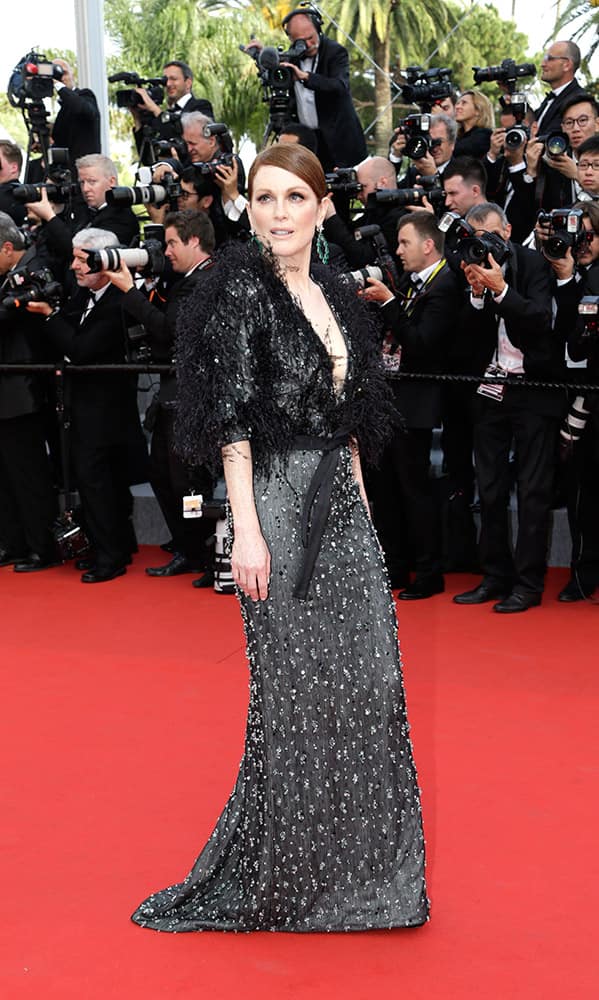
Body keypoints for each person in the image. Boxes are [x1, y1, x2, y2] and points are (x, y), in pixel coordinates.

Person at [131, 143, 428, 932]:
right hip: (276, 504)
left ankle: (371, 878)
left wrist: (366, 523)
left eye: (295, 197)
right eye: (264, 198)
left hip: (341, 508)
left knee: (369, 690)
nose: (279, 213)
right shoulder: (238, 295)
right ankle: (297, 886)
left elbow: (354, 426)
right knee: (296, 700)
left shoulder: (334, 293)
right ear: (251, 209)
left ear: (323, 207)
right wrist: (246, 535)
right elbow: (228, 422)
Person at [453, 203, 566, 612]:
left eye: (493, 236)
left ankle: (528, 584)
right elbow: (465, 337)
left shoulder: (537, 264)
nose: (486, 245)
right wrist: (478, 296)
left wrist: (501, 290)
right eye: (477, 238)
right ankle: (495, 576)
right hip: (490, 387)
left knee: (533, 490)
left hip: (533, 388)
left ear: (509, 230)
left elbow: (540, 320)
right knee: (491, 487)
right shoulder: (466, 265)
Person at [30, 229, 149, 583]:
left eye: (83, 259)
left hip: (107, 410)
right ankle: (110, 547)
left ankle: (110, 557)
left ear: (106, 260)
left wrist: (50, 316)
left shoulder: (118, 300)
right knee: (97, 482)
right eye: (75, 258)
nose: (74, 267)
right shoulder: (83, 297)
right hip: (86, 407)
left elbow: (80, 349)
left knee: (99, 482)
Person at [103, 209, 216, 582]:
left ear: (194, 241)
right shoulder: (188, 280)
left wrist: (129, 291)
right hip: (174, 394)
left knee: (188, 483)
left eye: (171, 243)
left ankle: (200, 548)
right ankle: (188, 545)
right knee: (162, 476)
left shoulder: (206, 281)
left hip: (192, 396)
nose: (165, 251)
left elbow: (169, 332)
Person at [361, 211, 460, 597]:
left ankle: (429, 573)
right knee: (385, 489)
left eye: (404, 243)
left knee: (414, 490)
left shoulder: (445, 286)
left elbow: (420, 343)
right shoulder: (412, 282)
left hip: (419, 403)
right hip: (392, 400)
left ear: (428, 244)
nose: (399, 251)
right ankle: (397, 567)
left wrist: (388, 303)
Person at [278, 6, 367, 170]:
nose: (309, 44)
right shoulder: (292, 57)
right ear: (291, 40)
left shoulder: (336, 52)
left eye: (311, 37)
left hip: (340, 142)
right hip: (309, 141)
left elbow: (340, 86)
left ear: (318, 28)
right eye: (301, 41)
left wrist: (306, 77)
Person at [51, 58, 101, 173]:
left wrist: (58, 85)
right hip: (69, 176)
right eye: (55, 75)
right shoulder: (63, 109)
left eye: (63, 73)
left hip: (88, 173)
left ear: (72, 73)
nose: (61, 78)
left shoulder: (86, 95)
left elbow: (82, 109)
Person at [534, 41, 586, 134]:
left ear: (567, 65)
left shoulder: (578, 100)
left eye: (549, 58)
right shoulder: (550, 99)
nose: (542, 64)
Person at [453, 90, 494, 159]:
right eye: (457, 103)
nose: (457, 107)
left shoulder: (484, 135)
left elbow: (458, 150)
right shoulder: (458, 137)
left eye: (464, 103)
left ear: (478, 110)